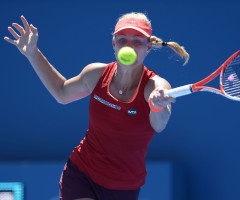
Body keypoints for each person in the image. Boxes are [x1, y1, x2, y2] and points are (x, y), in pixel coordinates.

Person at [4, 12, 189, 200]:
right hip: (81, 173)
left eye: (137, 41)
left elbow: (159, 125)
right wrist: (32, 53)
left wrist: (157, 105)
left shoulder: (156, 86)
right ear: (114, 44)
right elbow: (61, 92)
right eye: (123, 40)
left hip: (124, 187)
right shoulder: (96, 74)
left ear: (148, 46)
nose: (129, 47)